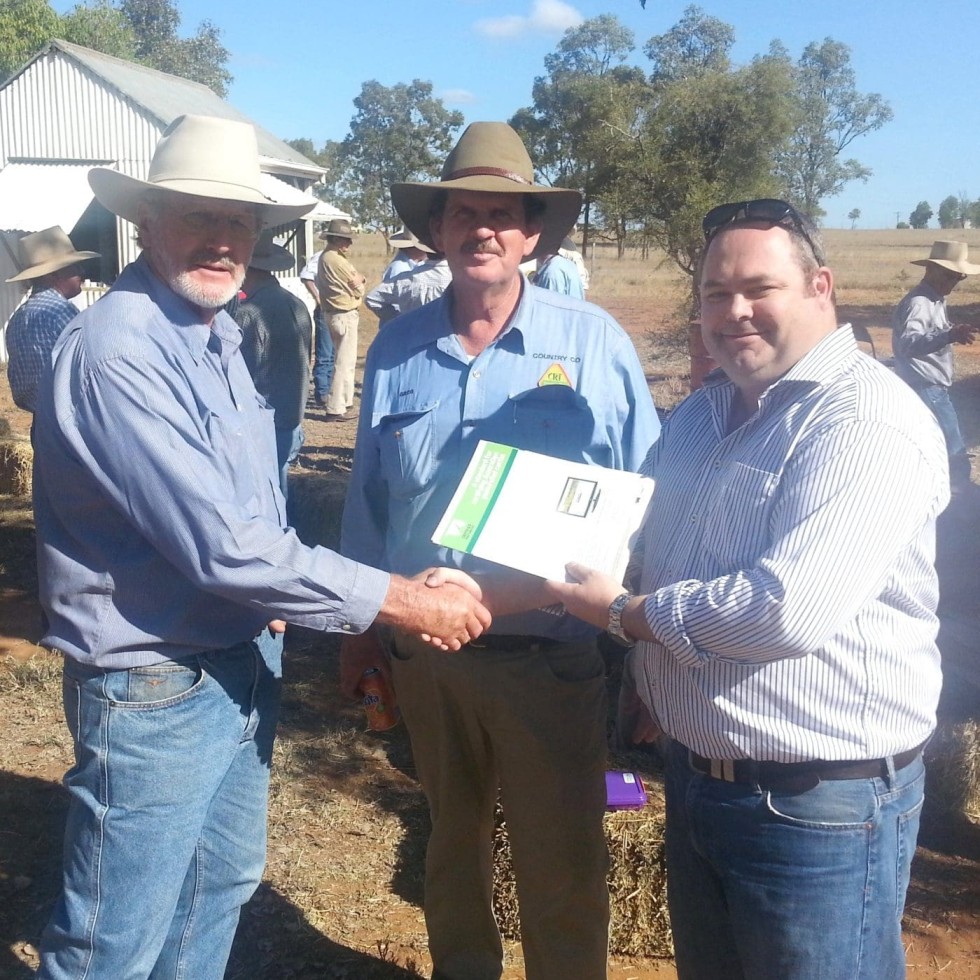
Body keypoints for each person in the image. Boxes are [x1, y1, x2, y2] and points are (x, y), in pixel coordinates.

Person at [30, 113, 491, 980]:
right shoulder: (120, 350)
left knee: (216, 887)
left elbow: (252, 512)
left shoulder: (215, 335)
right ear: (147, 220)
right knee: (112, 940)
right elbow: (224, 548)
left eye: (237, 221)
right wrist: (403, 600)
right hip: (153, 684)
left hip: (237, 658)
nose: (221, 239)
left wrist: (281, 598)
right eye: (198, 216)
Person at [546, 199, 949, 980]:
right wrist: (646, 673)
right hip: (704, 783)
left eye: (758, 288)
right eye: (714, 294)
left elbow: (783, 608)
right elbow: (655, 550)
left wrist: (630, 621)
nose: (733, 312)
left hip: (817, 810)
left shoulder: (865, 422)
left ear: (820, 286)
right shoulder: (700, 417)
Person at [341, 121, 661, 980]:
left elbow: (646, 496)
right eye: (462, 213)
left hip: (549, 664)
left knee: (563, 868)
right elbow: (369, 498)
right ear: (437, 232)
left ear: (530, 236)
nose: (480, 228)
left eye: (501, 214)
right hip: (427, 658)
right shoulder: (399, 351)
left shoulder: (595, 345)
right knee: (453, 852)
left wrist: (650, 646)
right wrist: (361, 629)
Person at [893, 239, 979, 492]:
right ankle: (962, 499)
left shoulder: (934, 300)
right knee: (954, 448)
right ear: (933, 271)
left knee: (933, 444)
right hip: (925, 386)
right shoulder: (920, 303)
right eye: (952, 276)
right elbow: (910, 344)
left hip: (929, 385)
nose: (955, 282)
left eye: (959, 278)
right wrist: (948, 336)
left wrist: (950, 331)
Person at [235, 230, 312, 499]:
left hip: (264, 426)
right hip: (293, 417)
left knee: (266, 499)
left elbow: (239, 380)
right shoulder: (298, 305)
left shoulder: (248, 314)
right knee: (279, 491)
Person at [4, 225, 98, 413]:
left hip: (41, 423)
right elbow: (88, 370)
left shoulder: (16, 320)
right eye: (74, 267)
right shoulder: (62, 313)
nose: (82, 272)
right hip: (70, 417)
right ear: (52, 275)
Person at [315, 217, 366, 419]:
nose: (349, 243)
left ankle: (344, 402)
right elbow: (359, 288)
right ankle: (336, 407)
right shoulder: (337, 260)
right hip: (344, 314)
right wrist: (361, 280)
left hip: (332, 313)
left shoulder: (324, 257)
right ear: (335, 239)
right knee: (344, 363)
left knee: (343, 360)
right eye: (345, 239)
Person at [364, 250, 451, 326]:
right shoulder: (457, 279)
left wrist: (401, 319)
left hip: (412, 336)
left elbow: (372, 298)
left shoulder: (406, 279)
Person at [299, 242, 334, 406]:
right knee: (325, 353)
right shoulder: (321, 257)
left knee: (333, 353)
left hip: (337, 310)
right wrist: (318, 299)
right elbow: (306, 275)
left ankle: (327, 389)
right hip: (325, 309)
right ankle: (322, 392)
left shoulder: (337, 258)